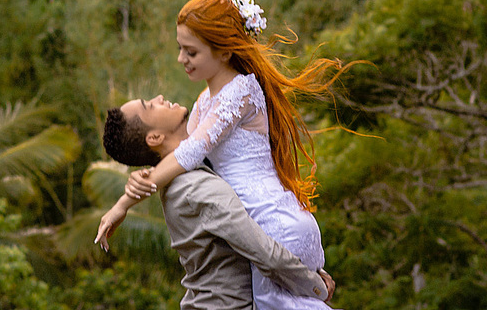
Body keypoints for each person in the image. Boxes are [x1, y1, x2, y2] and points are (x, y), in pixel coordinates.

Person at [96, 0, 346, 310]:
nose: (181, 59)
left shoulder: (238, 92)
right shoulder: (206, 101)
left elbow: (189, 153)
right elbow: (177, 150)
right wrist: (141, 178)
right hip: (270, 226)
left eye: (191, 52)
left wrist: (124, 203)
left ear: (225, 52)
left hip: (272, 223)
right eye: (181, 49)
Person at [102, 94, 336, 309]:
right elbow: (263, 252)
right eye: (150, 106)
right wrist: (316, 285)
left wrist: (123, 203)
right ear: (155, 137)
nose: (159, 98)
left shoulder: (189, 165)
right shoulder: (195, 188)